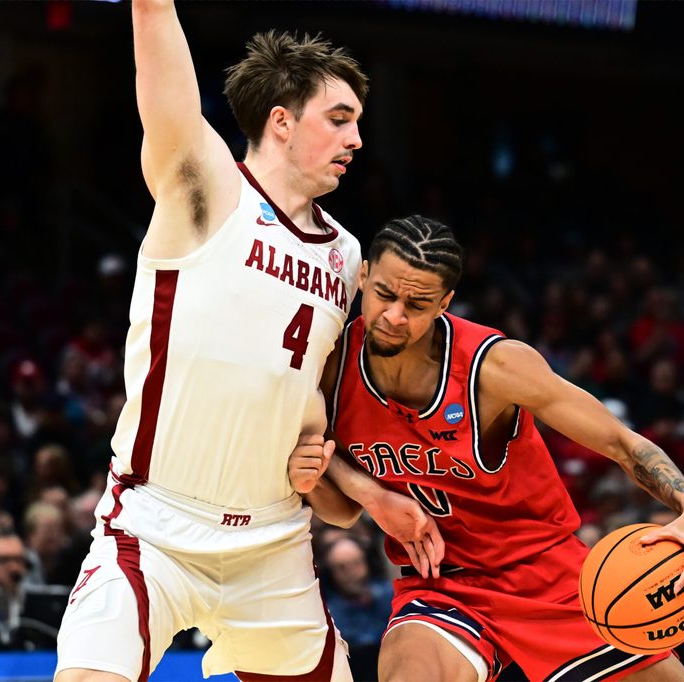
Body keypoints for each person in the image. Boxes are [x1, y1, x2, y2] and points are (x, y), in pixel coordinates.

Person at [54, 6, 442, 682]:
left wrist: (346, 480)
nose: (355, 139)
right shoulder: (208, 187)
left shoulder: (349, 257)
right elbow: (165, 88)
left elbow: (313, 412)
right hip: (154, 523)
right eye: (339, 117)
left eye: (357, 122)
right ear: (282, 121)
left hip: (273, 539)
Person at [292, 216, 684, 681]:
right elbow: (340, 512)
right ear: (363, 275)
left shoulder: (494, 367)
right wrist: (369, 494)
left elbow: (620, 442)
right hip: (442, 586)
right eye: (385, 295)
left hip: (548, 574)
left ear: (445, 303)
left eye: (417, 304)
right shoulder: (327, 366)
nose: (395, 316)